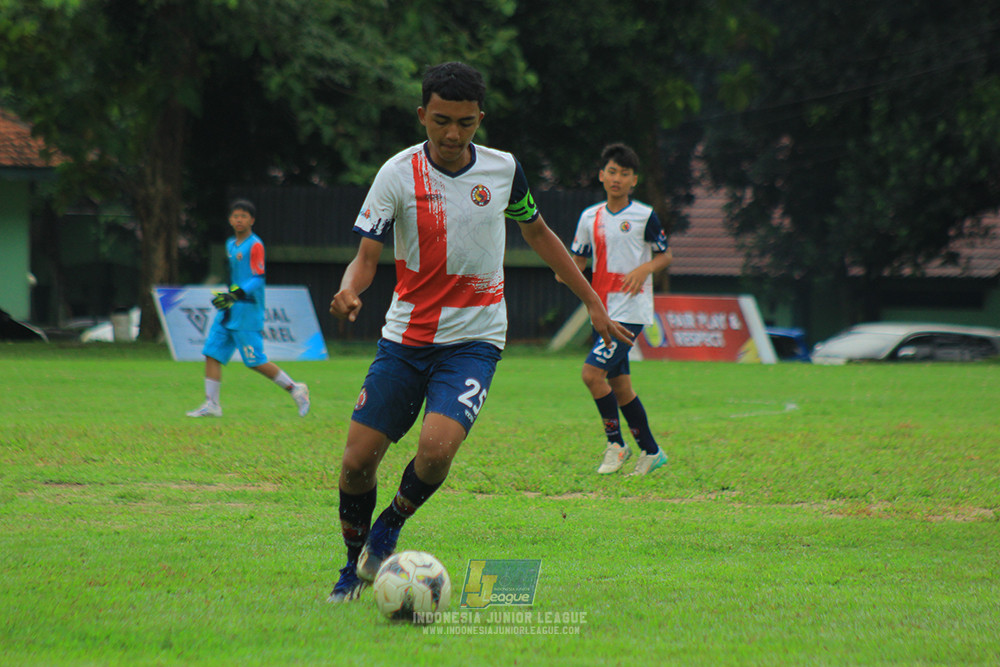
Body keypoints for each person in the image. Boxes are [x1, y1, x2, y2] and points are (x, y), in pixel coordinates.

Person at [327, 62, 634, 603]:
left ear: (480, 119)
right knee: (356, 464)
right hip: (405, 339)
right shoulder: (396, 174)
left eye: (465, 123)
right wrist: (350, 289)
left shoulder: (503, 170)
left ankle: (391, 522)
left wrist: (592, 300)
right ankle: (352, 568)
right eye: (441, 121)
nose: (452, 134)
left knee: (436, 451)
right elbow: (366, 256)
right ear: (422, 114)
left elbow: (539, 234)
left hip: (475, 340)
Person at [566, 143, 672, 476]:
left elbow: (665, 255)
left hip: (632, 311)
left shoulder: (644, 215)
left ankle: (616, 444)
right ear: (601, 175)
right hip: (603, 311)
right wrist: (565, 271)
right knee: (622, 387)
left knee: (591, 374)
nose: (617, 179)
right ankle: (652, 452)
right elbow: (577, 261)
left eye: (624, 174)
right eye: (612, 172)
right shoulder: (589, 217)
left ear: (634, 180)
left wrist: (644, 269)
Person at [186, 199, 310, 418]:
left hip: (247, 311)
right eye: (235, 216)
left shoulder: (255, 245)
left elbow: (258, 278)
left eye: (243, 216)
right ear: (230, 219)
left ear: (252, 220)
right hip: (230, 309)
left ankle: (295, 389)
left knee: (255, 361)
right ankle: (212, 404)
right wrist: (228, 296)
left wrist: (236, 294)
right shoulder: (230, 245)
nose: (239, 220)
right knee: (211, 353)